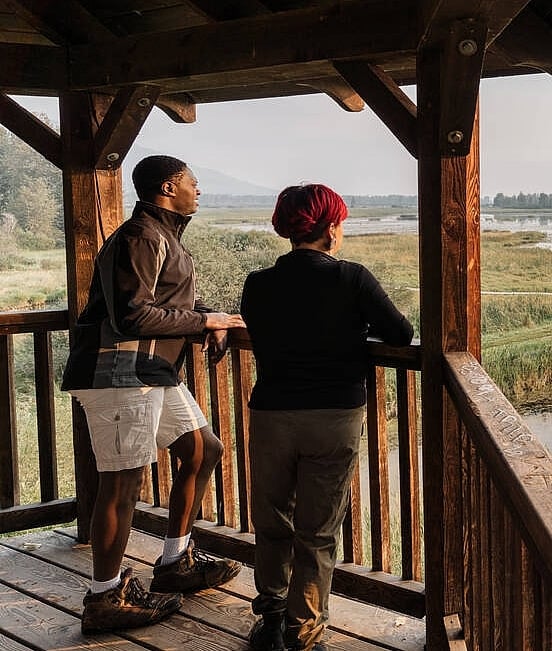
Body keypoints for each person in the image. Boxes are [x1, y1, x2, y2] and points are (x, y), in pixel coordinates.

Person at [62, 155, 245, 634]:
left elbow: (166, 302)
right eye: (192, 183)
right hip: (119, 370)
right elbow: (132, 315)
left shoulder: (161, 235)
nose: (198, 190)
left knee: (204, 450)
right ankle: (104, 597)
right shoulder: (141, 236)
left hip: (152, 369)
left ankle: (175, 562)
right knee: (122, 483)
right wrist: (204, 321)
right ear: (168, 187)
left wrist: (211, 318)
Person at [241, 184, 414, 651]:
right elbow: (401, 333)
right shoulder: (351, 278)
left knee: (271, 520)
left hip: (273, 414)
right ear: (330, 229)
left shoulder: (258, 284)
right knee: (317, 532)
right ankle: (305, 631)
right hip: (334, 417)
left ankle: (271, 619)